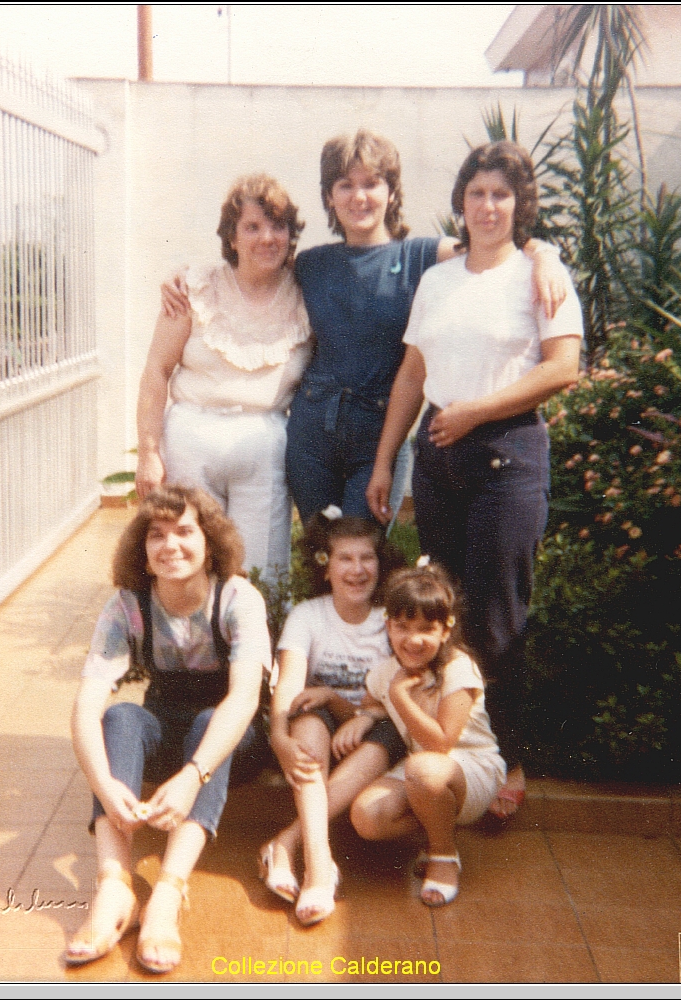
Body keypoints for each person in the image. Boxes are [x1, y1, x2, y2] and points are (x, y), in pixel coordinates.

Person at [160, 131, 567, 525]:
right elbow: (250, 266)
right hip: (311, 437)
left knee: (361, 556)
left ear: (391, 192)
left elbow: (494, 243)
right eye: (345, 185)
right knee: (321, 556)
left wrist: (544, 254)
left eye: (372, 183)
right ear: (329, 197)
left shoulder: (423, 256)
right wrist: (183, 276)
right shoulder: (311, 265)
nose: (359, 196)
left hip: (377, 435)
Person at [366, 141, 583, 818]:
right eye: (477, 193)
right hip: (439, 452)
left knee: (498, 616)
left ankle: (506, 755)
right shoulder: (440, 279)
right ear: (461, 202)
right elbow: (411, 375)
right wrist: (384, 461)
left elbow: (562, 368)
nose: (488, 206)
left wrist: (475, 412)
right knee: (444, 614)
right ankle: (445, 749)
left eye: (502, 195)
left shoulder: (540, 275)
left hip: (508, 451)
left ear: (520, 207)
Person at [65, 485, 269, 974]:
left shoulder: (238, 598)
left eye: (184, 531)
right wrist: (105, 786)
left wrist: (192, 776)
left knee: (208, 722)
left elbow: (243, 700)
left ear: (209, 542)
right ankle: (114, 885)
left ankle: (168, 893)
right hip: (168, 725)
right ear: (143, 549)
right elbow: (85, 707)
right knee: (121, 717)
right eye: (156, 535)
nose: (170, 545)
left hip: (232, 741)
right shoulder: (128, 607)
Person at [134, 174, 312, 580]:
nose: (267, 237)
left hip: (263, 445)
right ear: (232, 237)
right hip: (191, 440)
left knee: (261, 568)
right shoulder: (194, 288)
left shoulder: (308, 290)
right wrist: (148, 452)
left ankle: (255, 640)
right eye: (252, 227)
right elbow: (156, 372)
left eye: (278, 226)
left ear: (291, 234)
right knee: (192, 559)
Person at [261, 508, 407, 926]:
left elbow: (397, 698)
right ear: (325, 567)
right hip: (322, 732)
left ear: (381, 565)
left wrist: (357, 713)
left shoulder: (389, 619)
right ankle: (320, 865)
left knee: (384, 731)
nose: (357, 570)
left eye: (367, 558)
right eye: (345, 558)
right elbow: (288, 687)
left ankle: (288, 844)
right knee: (306, 717)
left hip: (374, 737)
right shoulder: (307, 615)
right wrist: (279, 737)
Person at [350, 563, 505, 907]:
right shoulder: (385, 673)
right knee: (366, 816)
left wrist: (401, 696)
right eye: (402, 626)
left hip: (469, 769)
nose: (413, 639)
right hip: (425, 776)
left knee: (422, 767)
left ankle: (443, 855)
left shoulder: (457, 667)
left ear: (445, 631)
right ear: (388, 626)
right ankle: (437, 824)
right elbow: (371, 702)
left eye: (426, 628)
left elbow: (440, 743)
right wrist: (352, 712)